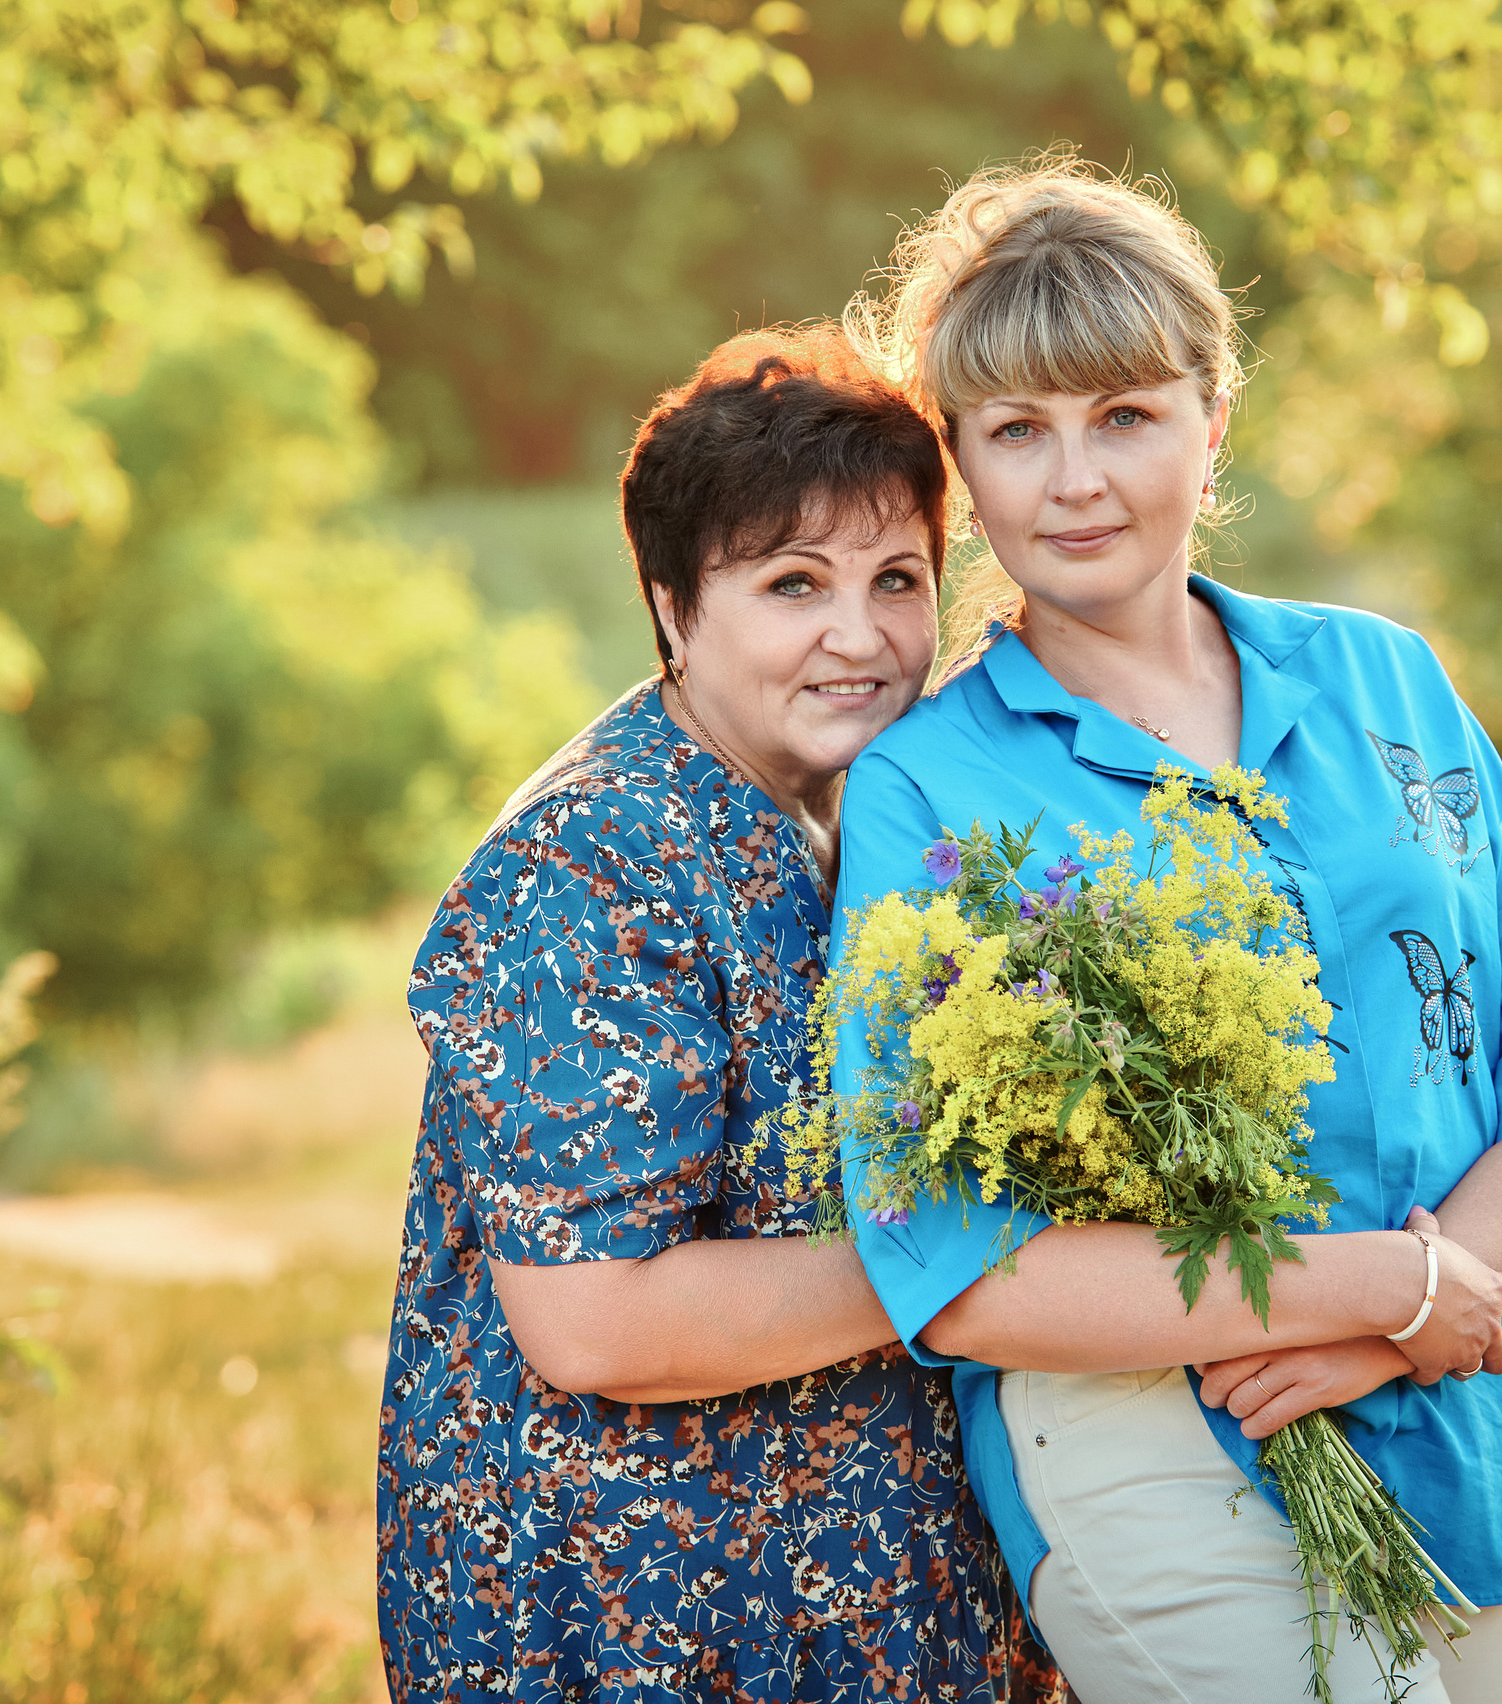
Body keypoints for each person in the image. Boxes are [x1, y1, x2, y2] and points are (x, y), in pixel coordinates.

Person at [830, 158, 1502, 1704]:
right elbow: (947, 1260)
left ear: (1213, 422)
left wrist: (1408, 1316)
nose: (1075, 481)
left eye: (1124, 416)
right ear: (962, 470)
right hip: (1157, 1450)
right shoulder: (928, 788)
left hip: (1460, 1429)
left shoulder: (1386, 682)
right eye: (1018, 432)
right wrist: (1364, 1293)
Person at [377, 328, 1069, 1701]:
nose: (860, 636)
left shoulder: (870, 826)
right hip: (646, 1624)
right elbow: (597, 1323)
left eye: (897, 580)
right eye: (792, 584)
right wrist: (1013, 1255)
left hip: (861, 1616)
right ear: (673, 608)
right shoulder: (590, 864)